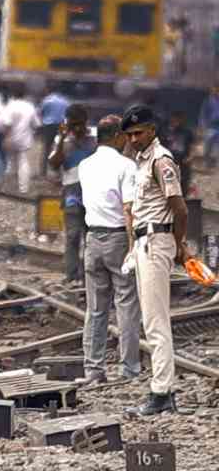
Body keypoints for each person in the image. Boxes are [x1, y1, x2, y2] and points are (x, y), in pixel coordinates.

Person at [122, 105, 189, 416]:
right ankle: (163, 390)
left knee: (155, 322)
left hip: (156, 241)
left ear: (152, 130)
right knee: (152, 320)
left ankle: (162, 392)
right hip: (145, 242)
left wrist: (180, 245)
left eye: (139, 133)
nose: (134, 139)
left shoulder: (161, 161)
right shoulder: (142, 160)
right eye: (130, 134)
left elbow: (180, 208)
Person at [76, 115, 141, 385]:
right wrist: (132, 246)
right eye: (126, 136)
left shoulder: (84, 165)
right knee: (126, 305)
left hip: (92, 239)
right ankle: (128, 369)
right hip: (117, 238)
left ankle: (93, 370)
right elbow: (129, 209)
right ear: (117, 136)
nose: (128, 141)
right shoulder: (126, 166)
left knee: (95, 309)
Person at [48, 104, 96, 286]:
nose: (77, 129)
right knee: (73, 235)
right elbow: (54, 163)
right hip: (72, 193)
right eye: (72, 124)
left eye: (79, 124)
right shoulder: (62, 140)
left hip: (94, 192)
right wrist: (61, 138)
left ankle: (87, 275)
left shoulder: (96, 137)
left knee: (90, 236)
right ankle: (72, 275)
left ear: (86, 122)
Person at [1, 86, 40, 194]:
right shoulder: (30, 106)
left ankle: (9, 187)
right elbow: (36, 124)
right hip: (25, 139)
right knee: (23, 163)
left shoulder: (10, 106)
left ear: (13, 94)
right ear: (24, 95)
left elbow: (7, 124)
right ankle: (23, 188)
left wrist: (5, 138)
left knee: (10, 163)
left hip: (12, 137)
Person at [38, 86, 72, 178]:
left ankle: (43, 172)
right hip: (61, 125)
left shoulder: (47, 100)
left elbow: (40, 112)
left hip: (49, 125)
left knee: (47, 148)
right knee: (61, 148)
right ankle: (60, 173)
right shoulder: (66, 101)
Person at [162, 110, 196, 196]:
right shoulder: (166, 132)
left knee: (183, 181)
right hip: (169, 159)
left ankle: (183, 198)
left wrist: (190, 157)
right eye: (175, 119)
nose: (177, 122)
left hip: (183, 160)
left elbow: (192, 146)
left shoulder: (187, 132)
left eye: (179, 120)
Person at [200, 85, 219, 169]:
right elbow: (203, 113)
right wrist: (202, 126)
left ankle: (215, 164)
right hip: (211, 126)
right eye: (215, 89)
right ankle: (207, 162)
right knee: (208, 145)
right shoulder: (208, 101)